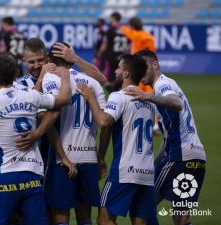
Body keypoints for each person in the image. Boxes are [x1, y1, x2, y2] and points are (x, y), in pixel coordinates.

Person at [0, 52, 71, 225]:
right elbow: (64, 99)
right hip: (32, 175)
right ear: (16, 73)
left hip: (3, 176)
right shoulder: (31, 96)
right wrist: (65, 75)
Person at [124, 50, 206, 225]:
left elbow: (176, 103)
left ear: (155, 65)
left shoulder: (163, 84)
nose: (140, 72)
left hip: (180, 157)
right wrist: (155, 163)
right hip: (197, 159)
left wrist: (147, 96)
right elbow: (168, 137)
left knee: (142, 208)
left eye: (143, 66)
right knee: (180, 216)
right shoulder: (163, 90)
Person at [77, 53, 156, 225]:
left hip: (125, 171)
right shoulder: (149, 103)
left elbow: (104, 122)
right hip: (148, 173)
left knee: (104, 219)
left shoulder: (119, 97)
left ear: (126, 73)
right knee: (140, 222)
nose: (115, 71)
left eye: (119, 67)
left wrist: (91, 98)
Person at [40, 42, 108, 225]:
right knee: (85, 217)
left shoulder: (51, 78)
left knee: (61, 216)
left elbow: (51, 115)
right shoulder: (92, 82)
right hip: (89, 157)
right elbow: (104, 123)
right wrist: (100, 156)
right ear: (70, 56)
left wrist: (38, 132)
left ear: (49, 59)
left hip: (63, 157)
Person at [99, 11, 130, 92]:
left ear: (113, 18)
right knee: (122, 76)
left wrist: (99, 54)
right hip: (123, 57)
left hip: (112, 56)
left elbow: (104, 45)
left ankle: (113, 95)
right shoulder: (126, 29)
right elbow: (130, 44)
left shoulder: (110, 29)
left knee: (108, 79)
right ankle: (120, 92)